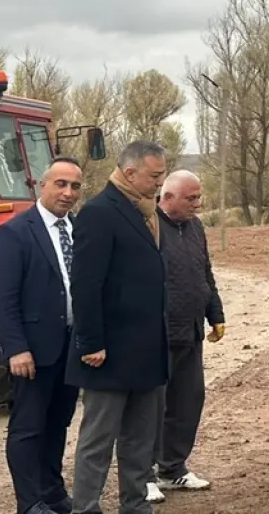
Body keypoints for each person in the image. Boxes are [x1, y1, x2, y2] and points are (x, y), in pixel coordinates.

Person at [68, 141, 171, 514]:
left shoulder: (147, 211)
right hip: (107, 353)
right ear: (130, 174)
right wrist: (91, 342)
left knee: (140, 440)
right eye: (155, 175)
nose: (160, 182)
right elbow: (86, 283)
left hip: (145, 350)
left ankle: (136, 504)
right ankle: (86, 507)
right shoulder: (99, 212)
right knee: (98, 439)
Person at [0, 157, 84, 514]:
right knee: (28, 428)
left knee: (58, 422)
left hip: (71, 347)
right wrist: (16, 348)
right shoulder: (15, 233)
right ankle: (29, 503)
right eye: (60, 184)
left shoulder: (77, 229)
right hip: (33, 351)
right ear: (41, 186)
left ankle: (52, 491)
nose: (68, 192)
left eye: (75, 186)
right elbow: (4, 298)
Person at [146, 170, 225, 502]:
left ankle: (172, 468)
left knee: (188, 401)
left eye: (198, 196)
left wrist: (215, 313)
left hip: (190, 331)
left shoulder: (195, 227)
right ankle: (142, 473)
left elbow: (204, 270)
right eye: (191, 198)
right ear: (167, 198)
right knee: (151, 407)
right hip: (156, 335)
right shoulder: (148, 227)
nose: (198, 203)